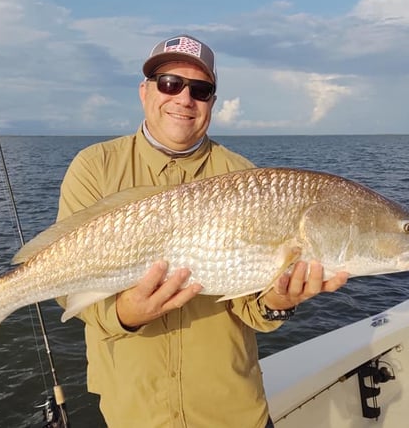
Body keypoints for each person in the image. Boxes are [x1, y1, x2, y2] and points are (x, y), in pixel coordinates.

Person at [56, 34, 348, 427]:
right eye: (170, 83)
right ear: (145, 92)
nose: (183, 98)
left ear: (212, 102)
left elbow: (252, 308)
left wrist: (278, 300)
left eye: (201, 89)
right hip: (134, 413)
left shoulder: (248, 178)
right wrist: (125, 314)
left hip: (232, 413)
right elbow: (64, 280)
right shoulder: (94, 167)